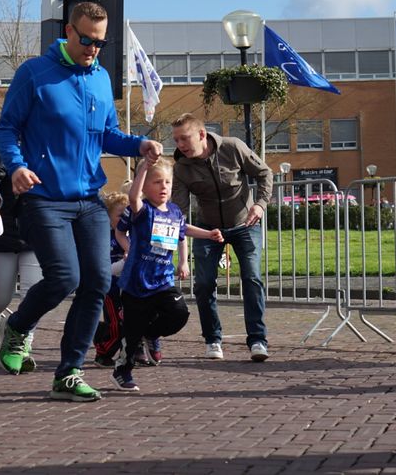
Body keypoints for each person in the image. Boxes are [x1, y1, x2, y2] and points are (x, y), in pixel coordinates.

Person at [0, 1, 161, 401]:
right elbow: (6, 128)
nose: (92, 48)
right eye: (85, 39)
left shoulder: (102, 78)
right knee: (65, 276)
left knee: (98, 282)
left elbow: (108, 134)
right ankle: (17, 327)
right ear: (68, 31)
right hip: (44, 199)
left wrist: (139, 143)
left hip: (88, 198)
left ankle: (68, 372)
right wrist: (16, 166)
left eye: (100, 42)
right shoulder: (35, 73)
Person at [112, 158, 223, 391]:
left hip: (163, 281)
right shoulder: (141, 211)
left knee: (179, 313)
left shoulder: (174, 211)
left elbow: (184, 231)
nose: (164, 187)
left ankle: (149, 334)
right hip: (136, 282)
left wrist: (209, 234)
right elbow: (131, 202)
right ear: (144, 186)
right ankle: (124, 370)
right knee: (131, 336)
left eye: (168, 182)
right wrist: (142, 167)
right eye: (157, 182)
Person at [171, 113, 273, 361]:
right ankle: (213, 340)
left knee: (252, 278)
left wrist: (259, 205)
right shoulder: (182, 168)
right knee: (204, 284)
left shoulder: (233, 147)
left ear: (202, 134)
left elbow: (264, 173)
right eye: (176, 140)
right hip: (208, 229)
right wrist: (175, 245)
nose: (180, 145)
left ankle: (258, 340)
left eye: (184, 138)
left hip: (244, 224)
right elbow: (179, 214)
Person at [0, 138, 41, 368]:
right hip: (4, 232)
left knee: (32, 295)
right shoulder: (0, 147)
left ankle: (22, 347)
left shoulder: (47, 143)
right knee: (2, 297)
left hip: (36, 230)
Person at [93, 191, 129, 368]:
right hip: (110, 289)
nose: (124, 220)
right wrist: (124, 262)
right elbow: (105, 269)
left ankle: (130, 352)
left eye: (126, 215)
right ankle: (103, 352)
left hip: (127, 289)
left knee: (127, 322)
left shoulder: (130, 236)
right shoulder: (104, 238)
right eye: (120, 215)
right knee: (116, 324)